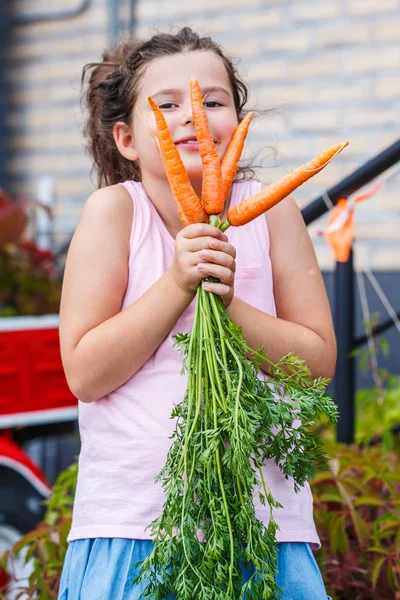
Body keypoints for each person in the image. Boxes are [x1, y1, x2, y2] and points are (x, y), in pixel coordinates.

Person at [58, 26, 336, 600]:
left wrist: (230, 305)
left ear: (237, 119)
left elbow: (317, 365)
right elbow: (85, 374)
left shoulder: (271, 214)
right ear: (127, 139)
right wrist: (178, 283)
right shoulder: (114, 213)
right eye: (166, 106)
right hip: (136, 524)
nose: (193, 116)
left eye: (213, 101)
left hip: (263, 525)